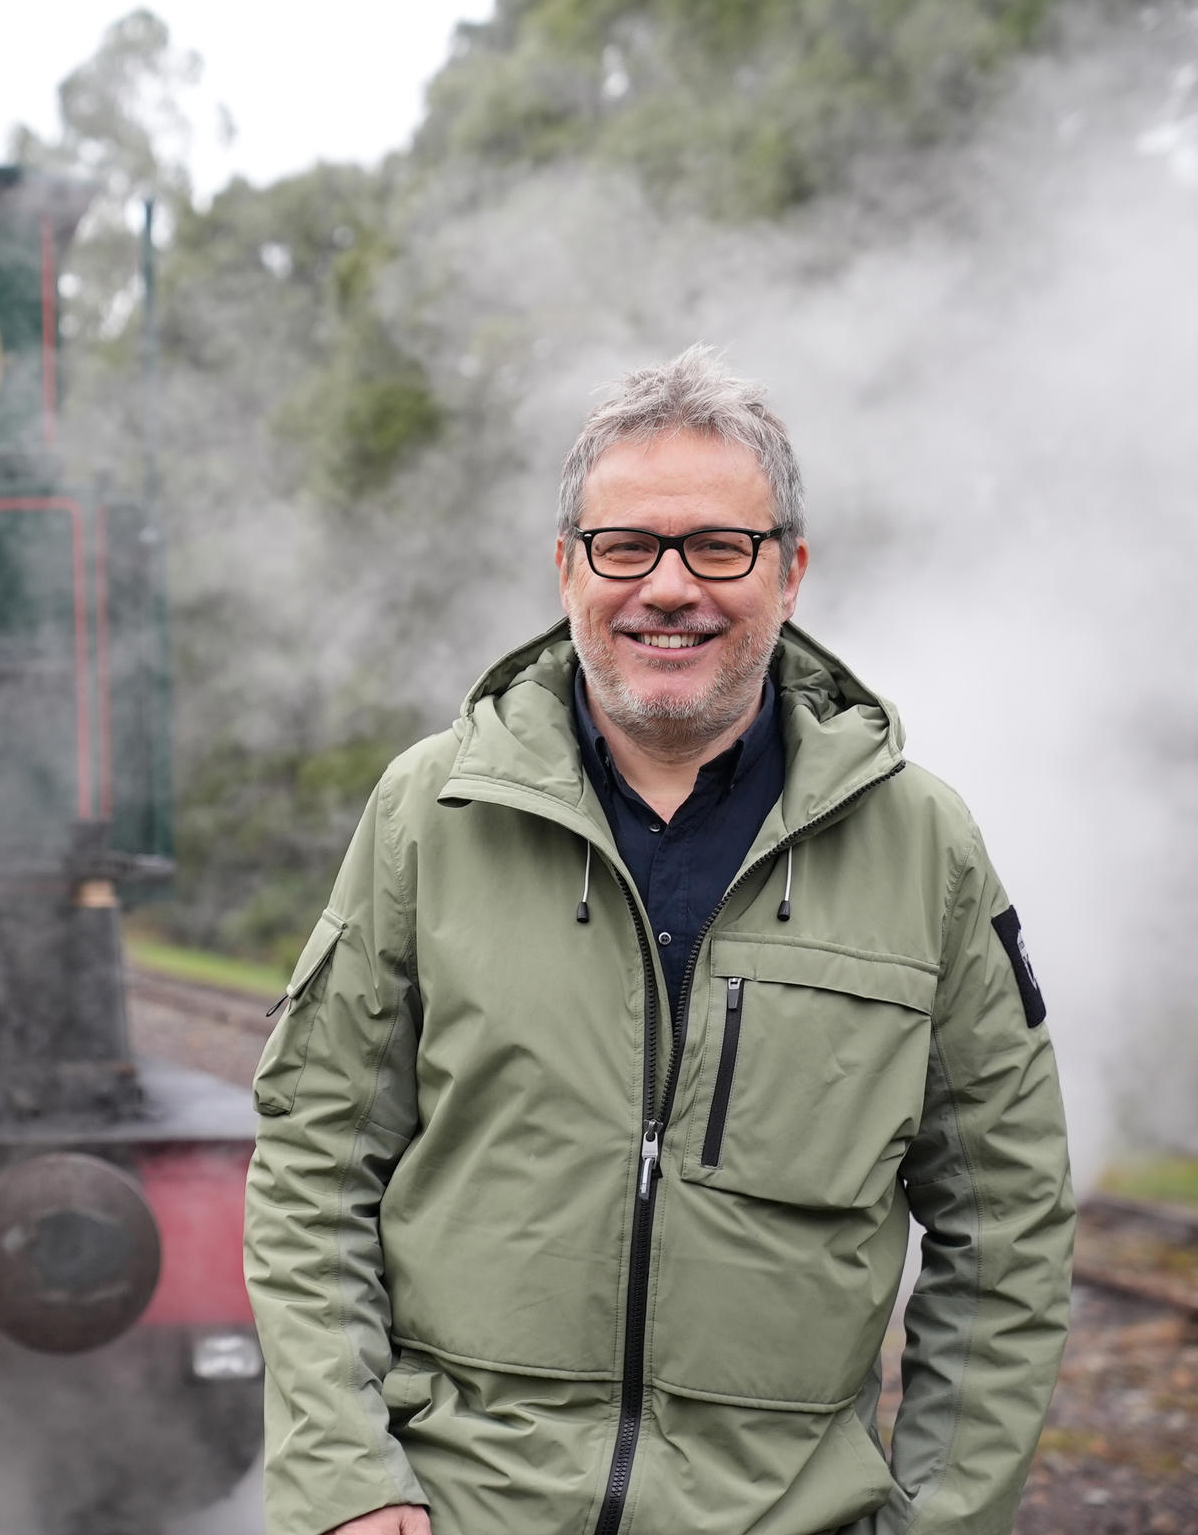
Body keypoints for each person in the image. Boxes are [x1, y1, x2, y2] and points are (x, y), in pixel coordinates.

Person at [245, 346, 1072, 1535]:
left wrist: (940, 1520)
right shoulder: (429, 812)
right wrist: (344, 1483)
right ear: (566, 569)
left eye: (716, 547)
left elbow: (1004, 1227)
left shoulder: (920, 842)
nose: (668, 588)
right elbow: (312, 1169)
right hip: (464, 1506)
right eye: (624, 547)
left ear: (787, 572)